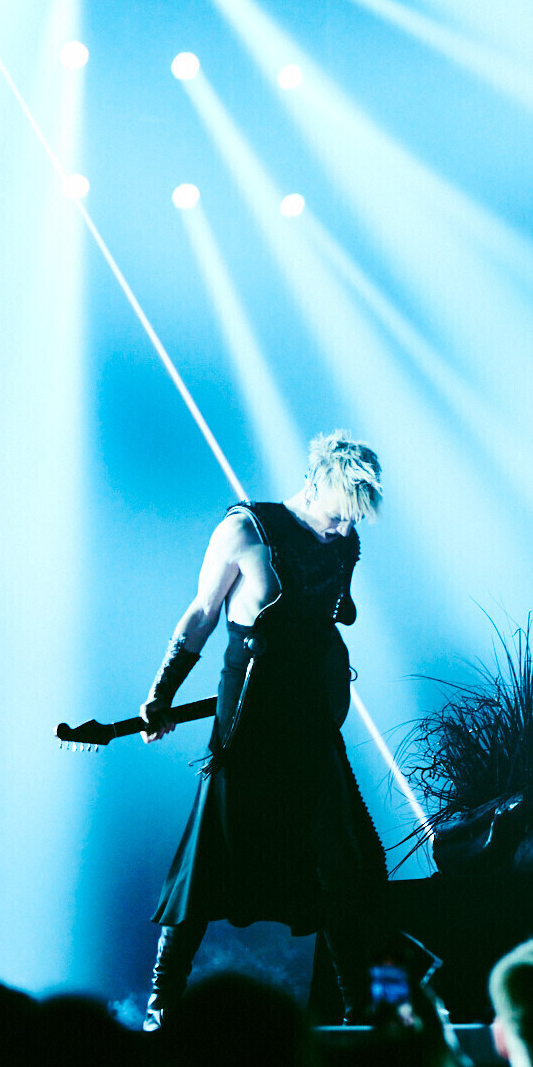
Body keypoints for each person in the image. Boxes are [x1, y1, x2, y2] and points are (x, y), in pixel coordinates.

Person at [139, 432, 390, 1028]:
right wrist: (161, 693)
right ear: (316, 483)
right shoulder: (246, 529)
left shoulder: (344, 542)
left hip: (309, 714)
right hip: (247, 714)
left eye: (354, 520)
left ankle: (360, 1010)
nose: (343, 528)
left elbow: (335, 614)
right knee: (208, 855)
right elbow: (202, 612)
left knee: (340, 863)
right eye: (339, 514)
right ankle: (162, 1006)